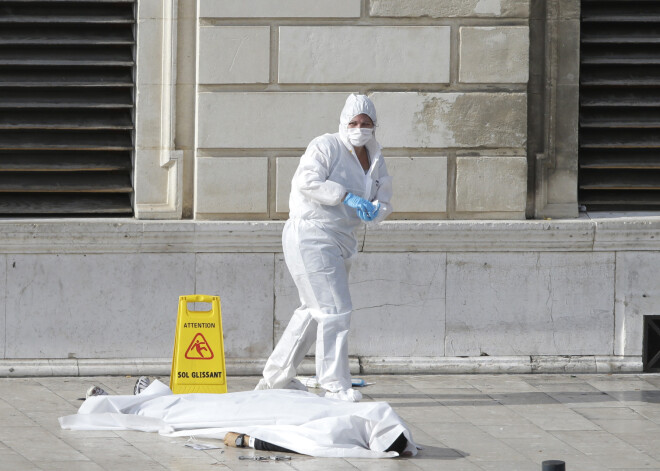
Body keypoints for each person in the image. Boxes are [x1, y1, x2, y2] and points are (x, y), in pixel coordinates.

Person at [255, 94, 393, 402]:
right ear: (343, 123)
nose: (360, 129)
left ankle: (276, 378)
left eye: (366, 124)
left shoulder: (374, 156)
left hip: (342, 238)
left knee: (313, 310)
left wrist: (376, 210)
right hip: (311, 233)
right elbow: (307, 181)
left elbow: (384, 195)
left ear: (374, 127)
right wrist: (344, 195)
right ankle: (334, 384)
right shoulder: (325, 146)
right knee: (335, 310)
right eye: (354, 123)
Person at [63, 379, 418, 458]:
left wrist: (247, 439)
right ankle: (141, 400)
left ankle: (136, 400)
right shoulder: (349, 426)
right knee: (198, 407)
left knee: (196, 410)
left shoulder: (353, 422)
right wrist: (248, 439)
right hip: (271, 405)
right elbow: (298, 442)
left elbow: (294, 440)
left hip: (268, 409)